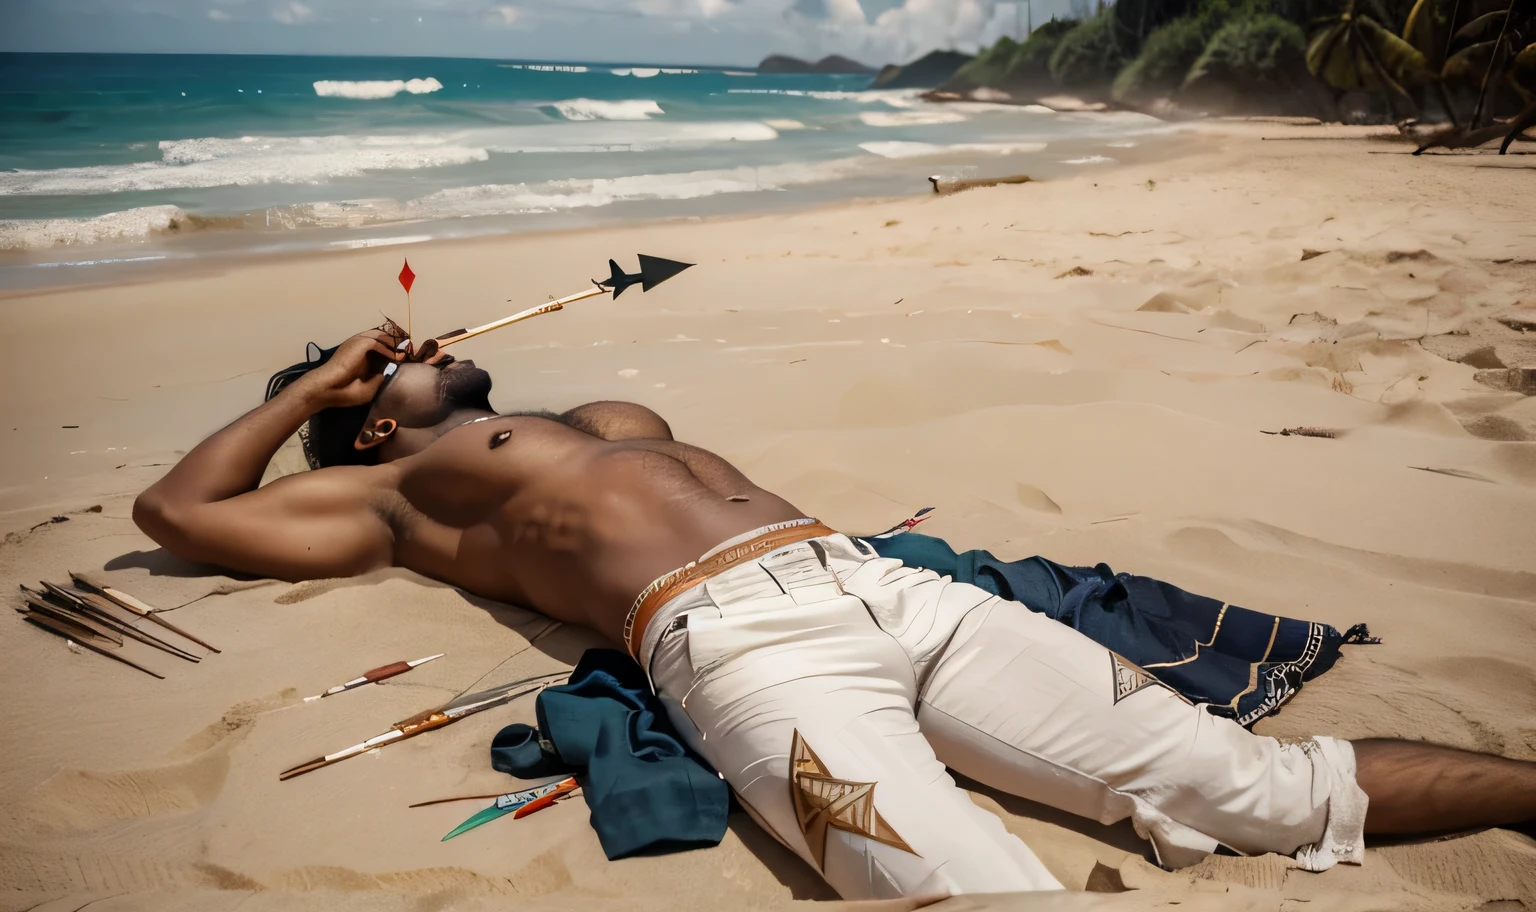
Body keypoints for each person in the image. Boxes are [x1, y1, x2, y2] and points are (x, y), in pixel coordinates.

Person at [135, 328, 1536, 900]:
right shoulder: (393, 496)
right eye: (401, 365)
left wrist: (451, 390)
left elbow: (635, 429)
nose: (427, 348)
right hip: (738, 651)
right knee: (958, 884)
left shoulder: (587, 421)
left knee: (1256, 789)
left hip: (883, 581)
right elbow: (177, 516)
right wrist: (311, 393)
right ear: (368, 428)